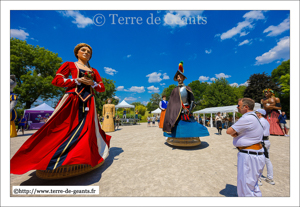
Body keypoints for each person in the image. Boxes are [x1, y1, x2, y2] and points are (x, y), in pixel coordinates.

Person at [10, 43, 111, 175]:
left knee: (89, 129)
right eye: (83, 50)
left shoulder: (94, 71)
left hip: (89, 101)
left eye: (89, 52)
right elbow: (56, 80)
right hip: (72, 99)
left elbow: (102, 88)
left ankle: (82, 157)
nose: (86, 53)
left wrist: (93, 83)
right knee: (63, 127)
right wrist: (76, 80)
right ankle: (53, 158)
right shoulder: (69, 65)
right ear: (77, 53)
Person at [226, 98, 265, 197]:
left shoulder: (247, 118)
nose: (237, 107)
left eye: (239, 105)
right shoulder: (255, 117)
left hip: (249, 155)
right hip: (255, 153)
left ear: (246, 107)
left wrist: (235, 134)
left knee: (245, 188)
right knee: (253, 186)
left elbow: (229, 131)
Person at [163, 61, 209, 142]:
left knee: (190, 125)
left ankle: (191, 136)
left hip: (186, 109)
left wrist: (189, 110)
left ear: (184, 78)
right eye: (178, 77)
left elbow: (192, 100)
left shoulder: (188, 88)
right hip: (176, 112)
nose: (179, 78)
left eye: (181, 76)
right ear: (176, 79)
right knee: (176, 125)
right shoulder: (174, 90)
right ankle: (175, 137)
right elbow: (171, 104)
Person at [255, 109, 275, 186]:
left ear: (259, 114)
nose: (255, 115)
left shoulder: (260, 121)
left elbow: (257, 132)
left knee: (259, 160)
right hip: (266, 141)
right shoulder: (266, 121)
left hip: (261, 142)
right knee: (267, 159)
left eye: (256, 113)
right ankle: (270, 177)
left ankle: (258, 179)